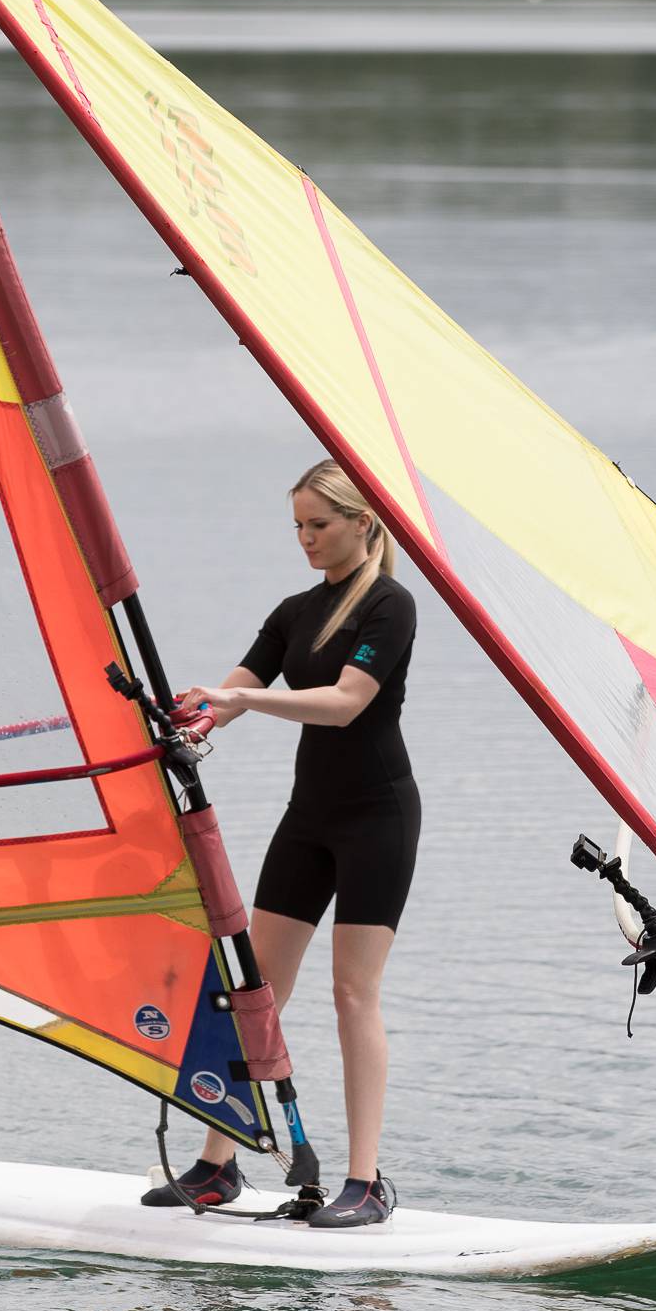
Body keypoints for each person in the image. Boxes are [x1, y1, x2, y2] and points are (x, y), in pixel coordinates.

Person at [141, 459, 420, 1229]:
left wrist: (244, 700)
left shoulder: (390, 608)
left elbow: (342, 704)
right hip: (309, 819)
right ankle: (218, 1166)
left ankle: (365, 1183)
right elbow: (227, 692)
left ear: (361, 523)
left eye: (318, 524)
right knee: (253, 990)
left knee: (352, 993)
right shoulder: (294, 610)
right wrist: (187, 713)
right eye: (296, 525)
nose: (304, 538)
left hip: (378, 819)